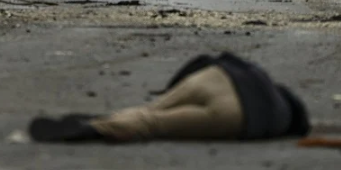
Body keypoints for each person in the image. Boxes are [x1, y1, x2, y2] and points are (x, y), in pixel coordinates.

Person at [29, 52, 310, 142]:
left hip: (216, 76)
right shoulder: (279, 120)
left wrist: (171, 89)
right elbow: (255, 131)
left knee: (152, 109)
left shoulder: (261, 77)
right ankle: (97, 128)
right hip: (236, 114)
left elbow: (205, 60)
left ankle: (120, 116)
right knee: (155, 124)